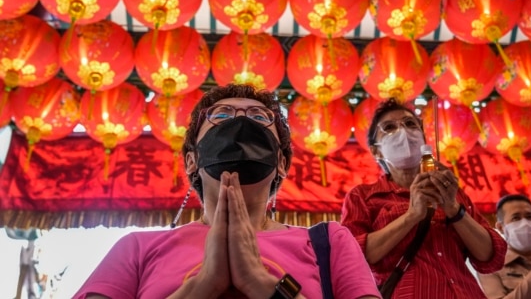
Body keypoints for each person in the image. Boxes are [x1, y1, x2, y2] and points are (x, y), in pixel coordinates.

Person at [74, 84, 381, 299]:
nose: (241, 121)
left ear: (282, 162)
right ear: (192, 160)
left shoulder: (330, 242)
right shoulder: (137, 249)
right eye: (221, 116)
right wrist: (202, 287)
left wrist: (262, 285)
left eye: (259, 118)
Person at [341, 98, 508, 298]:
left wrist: (454, 209)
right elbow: (352, 258)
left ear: (423, 139)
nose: (402, 131)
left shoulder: (451, 191)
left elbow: (491, 257)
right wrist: (412, 215)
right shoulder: (363, 197)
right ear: (376, 150)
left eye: (410, 124)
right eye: (389, 127)